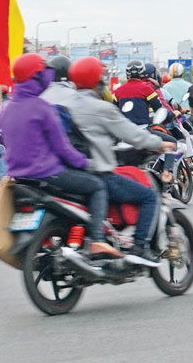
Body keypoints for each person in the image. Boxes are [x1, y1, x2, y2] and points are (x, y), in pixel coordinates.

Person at [61, 56, 175, 264]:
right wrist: (160, 144)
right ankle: (139, 247)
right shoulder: (107, 105)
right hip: (102, 165)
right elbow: (134, 132)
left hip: (67, 173)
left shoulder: (64, 104)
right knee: (149, 197)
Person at [0, 54, 109, 251]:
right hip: (49, 173)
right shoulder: (43, 108)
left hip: (20, 178)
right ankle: (98, 240)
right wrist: (84, 163)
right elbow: (63, 149)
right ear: (37, 77)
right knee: (98, 186)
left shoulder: (5, 108)